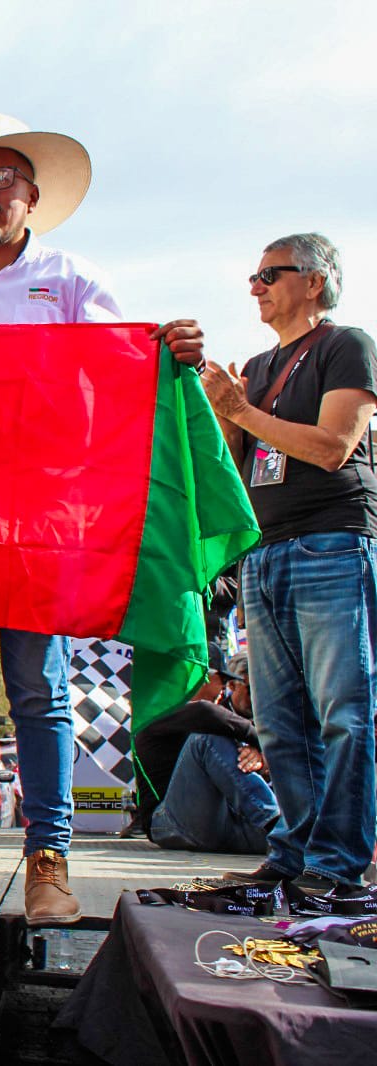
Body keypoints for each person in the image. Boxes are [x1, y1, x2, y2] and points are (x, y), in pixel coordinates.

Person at [0, 112, 208, 925]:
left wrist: (163, 346)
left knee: (40, 692)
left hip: (43, 521)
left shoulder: (72, 280)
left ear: (32, 198)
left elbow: (121, 370)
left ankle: (47, 865)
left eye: (2, 183)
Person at [202, 233, 377, 898]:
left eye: (270, 273)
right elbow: (241, 460)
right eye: (253, 275)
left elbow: (334, 447)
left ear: (315, 281)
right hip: (267, 548)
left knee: (342, 711)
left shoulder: (346, 345)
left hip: (333, 540)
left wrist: (242, 409)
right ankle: (297, 851)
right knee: (279, 718)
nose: (256, 286)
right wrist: (226, 415)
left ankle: (337, 863)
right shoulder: (259, 362)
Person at [142, 653, 279, 854]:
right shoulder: (159, 712)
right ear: (199, 674)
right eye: (223, 681)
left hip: (227, 825)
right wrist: (265, 743)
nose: (224, 689)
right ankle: (275, 823)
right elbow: (206, 712)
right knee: (206, 739)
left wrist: (259, 757)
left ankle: (299, 836)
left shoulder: (225, 718)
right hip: (169, 823)